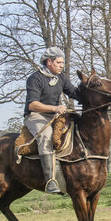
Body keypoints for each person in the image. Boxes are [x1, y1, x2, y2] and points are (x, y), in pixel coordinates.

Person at [24, 46, 81, 193]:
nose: (62, 66)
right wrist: (55, 108)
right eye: (59, 63)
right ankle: (50, 182)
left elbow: (73, 92)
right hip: (35, 116)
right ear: (49, 62)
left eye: (63, 63)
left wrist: (93, 94)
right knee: (47, 137)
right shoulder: (35, 79)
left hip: (55, 116)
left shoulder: (61, 78)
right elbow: (32, 104)